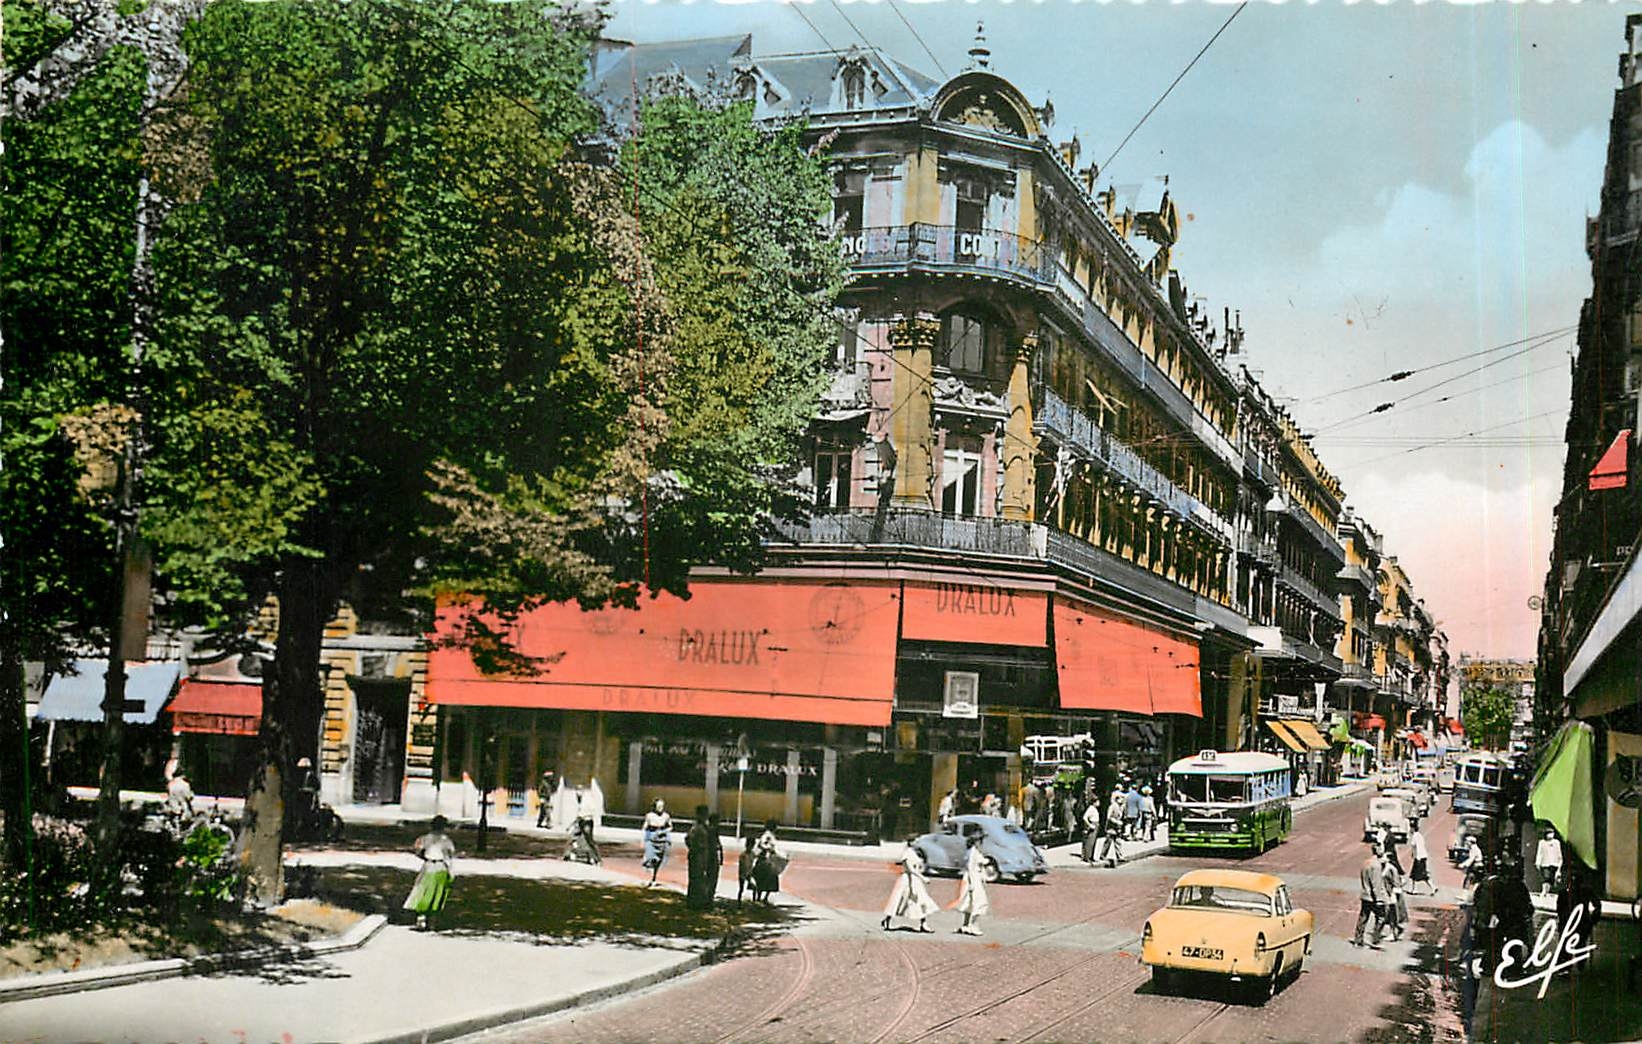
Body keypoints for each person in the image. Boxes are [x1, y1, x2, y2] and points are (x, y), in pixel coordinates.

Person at [403, 816, 456, 931]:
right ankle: (432, 920)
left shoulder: (425, 838)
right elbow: (449, 857)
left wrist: (424, 856)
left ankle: (421, 918)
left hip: (428, 866)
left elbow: (418, 851)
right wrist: (451, 872)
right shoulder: (446, 840)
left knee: (422, 891)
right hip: (441, 867)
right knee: (437, 893)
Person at [882, 837, 939, 932]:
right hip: (907, 879)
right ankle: (887, 919)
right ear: (910, 842)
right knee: (899, 900)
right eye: (914, 841)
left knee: (921, 899)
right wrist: (923, 877)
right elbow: (910, 869)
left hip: (915, 880)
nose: (916, 842)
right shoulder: (906, 853)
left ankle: (923, 924)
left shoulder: (915, 853)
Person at [955, 829, 990, 936]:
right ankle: (973, 926)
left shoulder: (976, 851)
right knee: (978, 902)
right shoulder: (973, 852)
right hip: (973, 878)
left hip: (976, 877)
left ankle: (965, 925)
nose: (982, 842)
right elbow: (970, 867)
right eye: (980, 840)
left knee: (970, 902)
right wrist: (971, 883)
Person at [1352, 845, 1388, 949]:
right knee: (1381, 916)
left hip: (1364, 894)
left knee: (1363, 917)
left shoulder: (1366, 863)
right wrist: (1379, 899)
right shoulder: (1376, 866)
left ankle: (1358, 940)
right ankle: (1375, 938)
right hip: (1373, 897)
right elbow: (1376, 884)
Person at [685, 805, 716, 910]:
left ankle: (699, 901)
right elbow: (688, 840)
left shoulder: (705, 827)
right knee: (695, 879)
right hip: (697, 856)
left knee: (701, 879)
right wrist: (696, 848)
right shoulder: (696, 827)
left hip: (703, 856)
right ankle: (693, 903)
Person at [748, 819, 785, 902]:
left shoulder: (769, 835)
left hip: (766, 859)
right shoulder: (768, 835)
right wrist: (769, 849)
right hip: (765, 859)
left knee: (765, 879)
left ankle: (762, 897)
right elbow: (763, 844)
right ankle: (761, 898)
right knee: (764, 879)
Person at [641, 799, 672, 886]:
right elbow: (645, 827)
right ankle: (648, 878)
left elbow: (670, 827)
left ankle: (654, 877)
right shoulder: (649, 816)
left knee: (658, 860)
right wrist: (644, 839)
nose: (660, 808)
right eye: (658, 806)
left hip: (662, 839)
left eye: (662, 806)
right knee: (650, 857)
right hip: (651, 838)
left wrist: (664, 832)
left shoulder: (666, 816)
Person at [1381, 845, 1406, 942]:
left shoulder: (1391, 869)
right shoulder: (1385, 868)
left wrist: (1394, 895)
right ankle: (1398, 930)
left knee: (1392, 915)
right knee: (1390, 915)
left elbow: (1397, 883)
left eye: (1385, 857)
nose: (1383, 858)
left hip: (1392, 896)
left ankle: (1393, 934)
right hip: (1387, 894)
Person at [1536, 826, 1563, 896]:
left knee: (1551, 879)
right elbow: (1539, 853)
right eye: (1549, 833)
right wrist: (1538, 862)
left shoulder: (1556, 842)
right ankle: (1544, 891)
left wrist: (1560, 862)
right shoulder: (1542, 842)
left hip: (1554, 863)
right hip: (1545, 863)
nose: (1551, 835)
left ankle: (1546, 891)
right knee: (1546, 878)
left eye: (1552, 833)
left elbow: (1559, 853)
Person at [1407, 825, 1433, 895]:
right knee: (1421, 874)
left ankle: (1415, 889)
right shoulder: (1420, 836)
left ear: (1413, 829)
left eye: (1410, 829)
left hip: (1419, 857)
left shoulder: (1415, 836)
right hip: (1422, 856)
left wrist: (1416, 856)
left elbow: (1416, 846)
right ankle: (1432, 887)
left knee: (1415, 874)